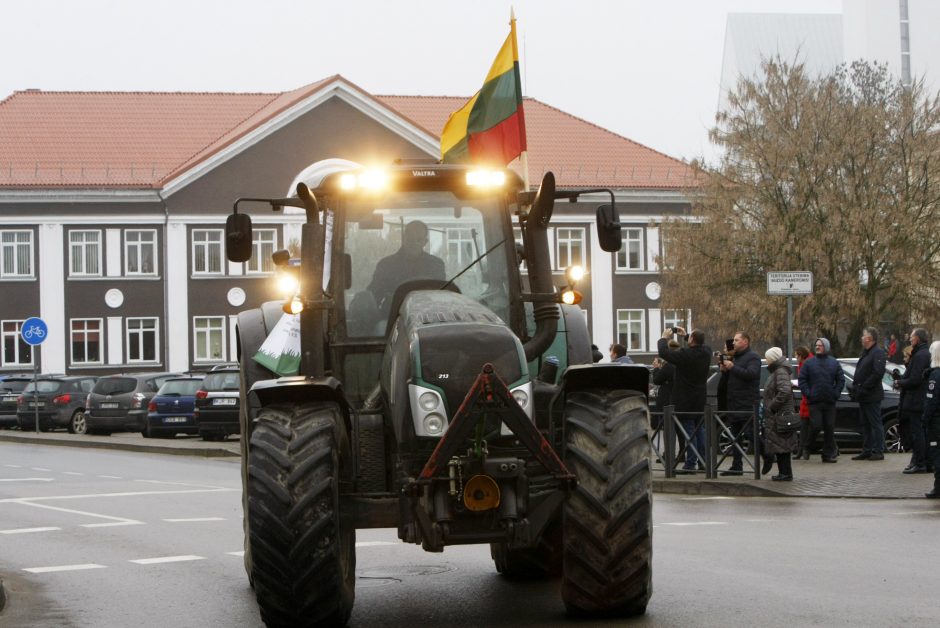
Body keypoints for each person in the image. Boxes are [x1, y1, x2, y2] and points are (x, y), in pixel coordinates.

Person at [658, 326, 711, 474]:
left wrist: (663, 338)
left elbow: (664, 352)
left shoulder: (685, 354)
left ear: (692, 340)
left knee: (688, 431)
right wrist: (687, 335)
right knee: (699, 429)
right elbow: (701, 345)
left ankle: (690, 463)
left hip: (684, 398)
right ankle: (703, 462)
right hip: (700, 397)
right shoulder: (707, 352)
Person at [367, 221, 445, 316]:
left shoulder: (436, 265)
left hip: (427, 317)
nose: (414, 243)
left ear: (425, 242)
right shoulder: (386, 265)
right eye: (410, 239)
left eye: (419, 239)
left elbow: (441, 296)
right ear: (404, 238)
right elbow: (373, 296)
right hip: (391, 319)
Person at [717, 331, 763, 476]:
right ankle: (737, 466)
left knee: (751, 434)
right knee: (735, 436)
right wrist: (725, 371)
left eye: (737, 340)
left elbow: (751, 375)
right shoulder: (735, 357)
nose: (734, 343)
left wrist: (732, 367)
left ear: (745, 342)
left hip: (747, 402)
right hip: (734, 402)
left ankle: (768, 455)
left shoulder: (753, 357)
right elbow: (732, 379)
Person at [798, 337, 844, 463]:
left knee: (829, 428)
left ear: (826, 347)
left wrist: (835, 393)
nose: (817, 347)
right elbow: (802, 380)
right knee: (816, 426)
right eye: (816, 345)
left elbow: (841, 380)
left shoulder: (834, 363)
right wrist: (809, 394)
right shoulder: (809, 363)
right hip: (814, 401)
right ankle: (807, 446)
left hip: (829, 401)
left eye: (821, 345)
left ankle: (827, 454)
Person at [849, 326, 887, 461]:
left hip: (871, 395)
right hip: (863, 395)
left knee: (875, 423)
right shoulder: (867, 352)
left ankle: (878, 450)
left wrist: (864, 387)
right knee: (865, 424)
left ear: (869, 338)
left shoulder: (877, 353)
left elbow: (877, 373)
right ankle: (867, 449)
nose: (861, 338)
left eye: (863, 336)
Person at [896, 329, 931, 474]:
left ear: (917, 338)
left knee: (918, 434)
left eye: (911, 337)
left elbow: (916, 379)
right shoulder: (921, 354)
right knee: (919, 433)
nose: (910, 340)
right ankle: (918, 460)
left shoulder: (920, 355)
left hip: (916, 401)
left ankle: (920, 463)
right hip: (917, 400)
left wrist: (901, 382)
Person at [762, 347, 798, 480]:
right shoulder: (778, 371)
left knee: (782, 444)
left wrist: (772, 406)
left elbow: (784, 391)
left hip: (780, 414)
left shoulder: (780, 371)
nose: (766, 360)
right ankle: (784, 472)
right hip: (778, 413)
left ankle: (786, 473)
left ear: (772, 359)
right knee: (780, 444)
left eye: (767, 358)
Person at [922, 340, 940, 498]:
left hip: (936, 422)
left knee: (936, 452)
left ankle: (938, 487)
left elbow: (931, 400)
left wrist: (925, 419)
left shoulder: (935, 376)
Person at [794, 346, 812, 459]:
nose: (795, 358)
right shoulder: (804, 364)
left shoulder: (807, 365)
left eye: (796, 355)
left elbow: (805, 381)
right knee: (805, 425)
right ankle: (802, 449)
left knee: (810, 425)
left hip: (809, 398)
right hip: (806, 398)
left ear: (801, 355)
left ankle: (804, 449)